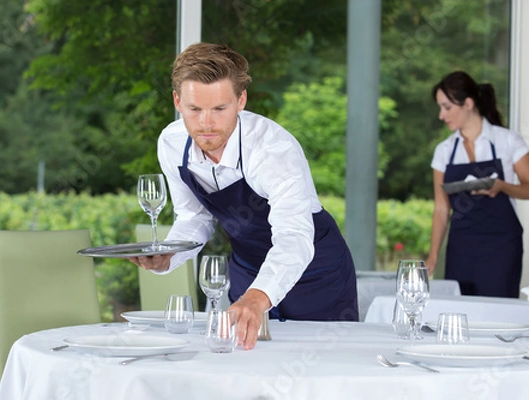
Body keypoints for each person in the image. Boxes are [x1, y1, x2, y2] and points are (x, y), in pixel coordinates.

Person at [129, 42, 359, 349]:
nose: (206, 123)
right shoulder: (171, 144)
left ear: (241, 101)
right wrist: (170, 255)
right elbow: (194, 217)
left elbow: (293, 236)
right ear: (177, 101)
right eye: (194, 109)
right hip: (248, 268)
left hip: (314, 270)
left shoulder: (273, 150)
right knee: (244, 364)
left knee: (322, 370)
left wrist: (258, 296)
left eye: (219, 109)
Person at [425, 71, 529, 298]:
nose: (441, 115)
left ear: (468, 103)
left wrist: (501, 186)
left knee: (498, 314)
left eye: (447, 107)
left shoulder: (508, 141)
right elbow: (441, 208)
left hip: (502, 247)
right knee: (459, 311)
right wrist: (433, 255)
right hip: (461, 246)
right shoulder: (444, 151)